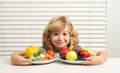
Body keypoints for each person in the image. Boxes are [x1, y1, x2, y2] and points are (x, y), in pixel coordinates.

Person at [11, 16, 107, 66]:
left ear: (71, 35)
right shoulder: (43, 50)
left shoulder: (75, 50)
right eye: (56, 34)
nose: (60, 38)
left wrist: (100, 59)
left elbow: (102, 53)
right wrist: (14, 58)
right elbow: (17, 53)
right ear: (49, 36)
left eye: (64, 34)